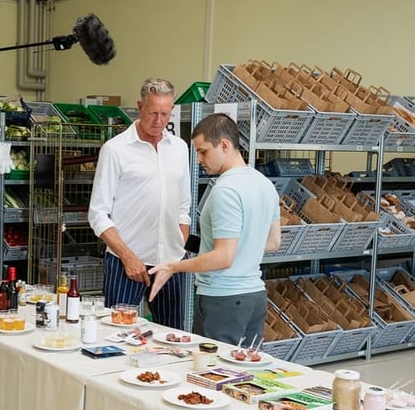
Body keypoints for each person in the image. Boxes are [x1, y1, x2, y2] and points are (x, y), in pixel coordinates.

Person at [148, 113, 281, 345]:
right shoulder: (264, 184)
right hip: (255, 297)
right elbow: (272, 242)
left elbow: (223, 257)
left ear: (224, 145)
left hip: (223, 299)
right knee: (243, 374)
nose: (199, 159)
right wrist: (207, 245)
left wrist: (172, 266)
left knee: (212, 373)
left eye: (203, 151)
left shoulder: (225, 190)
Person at [87, 77, 191, 330]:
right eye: (153, 112)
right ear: (139, 107)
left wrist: (177, 248)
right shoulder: (115, 150)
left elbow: (184, 208)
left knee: (171, 339)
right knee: (117, 337)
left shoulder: (179, 148)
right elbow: (98, 214)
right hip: (126, 262)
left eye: (165, 114)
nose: (158, 121)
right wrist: (127, 256)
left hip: (170, 264)